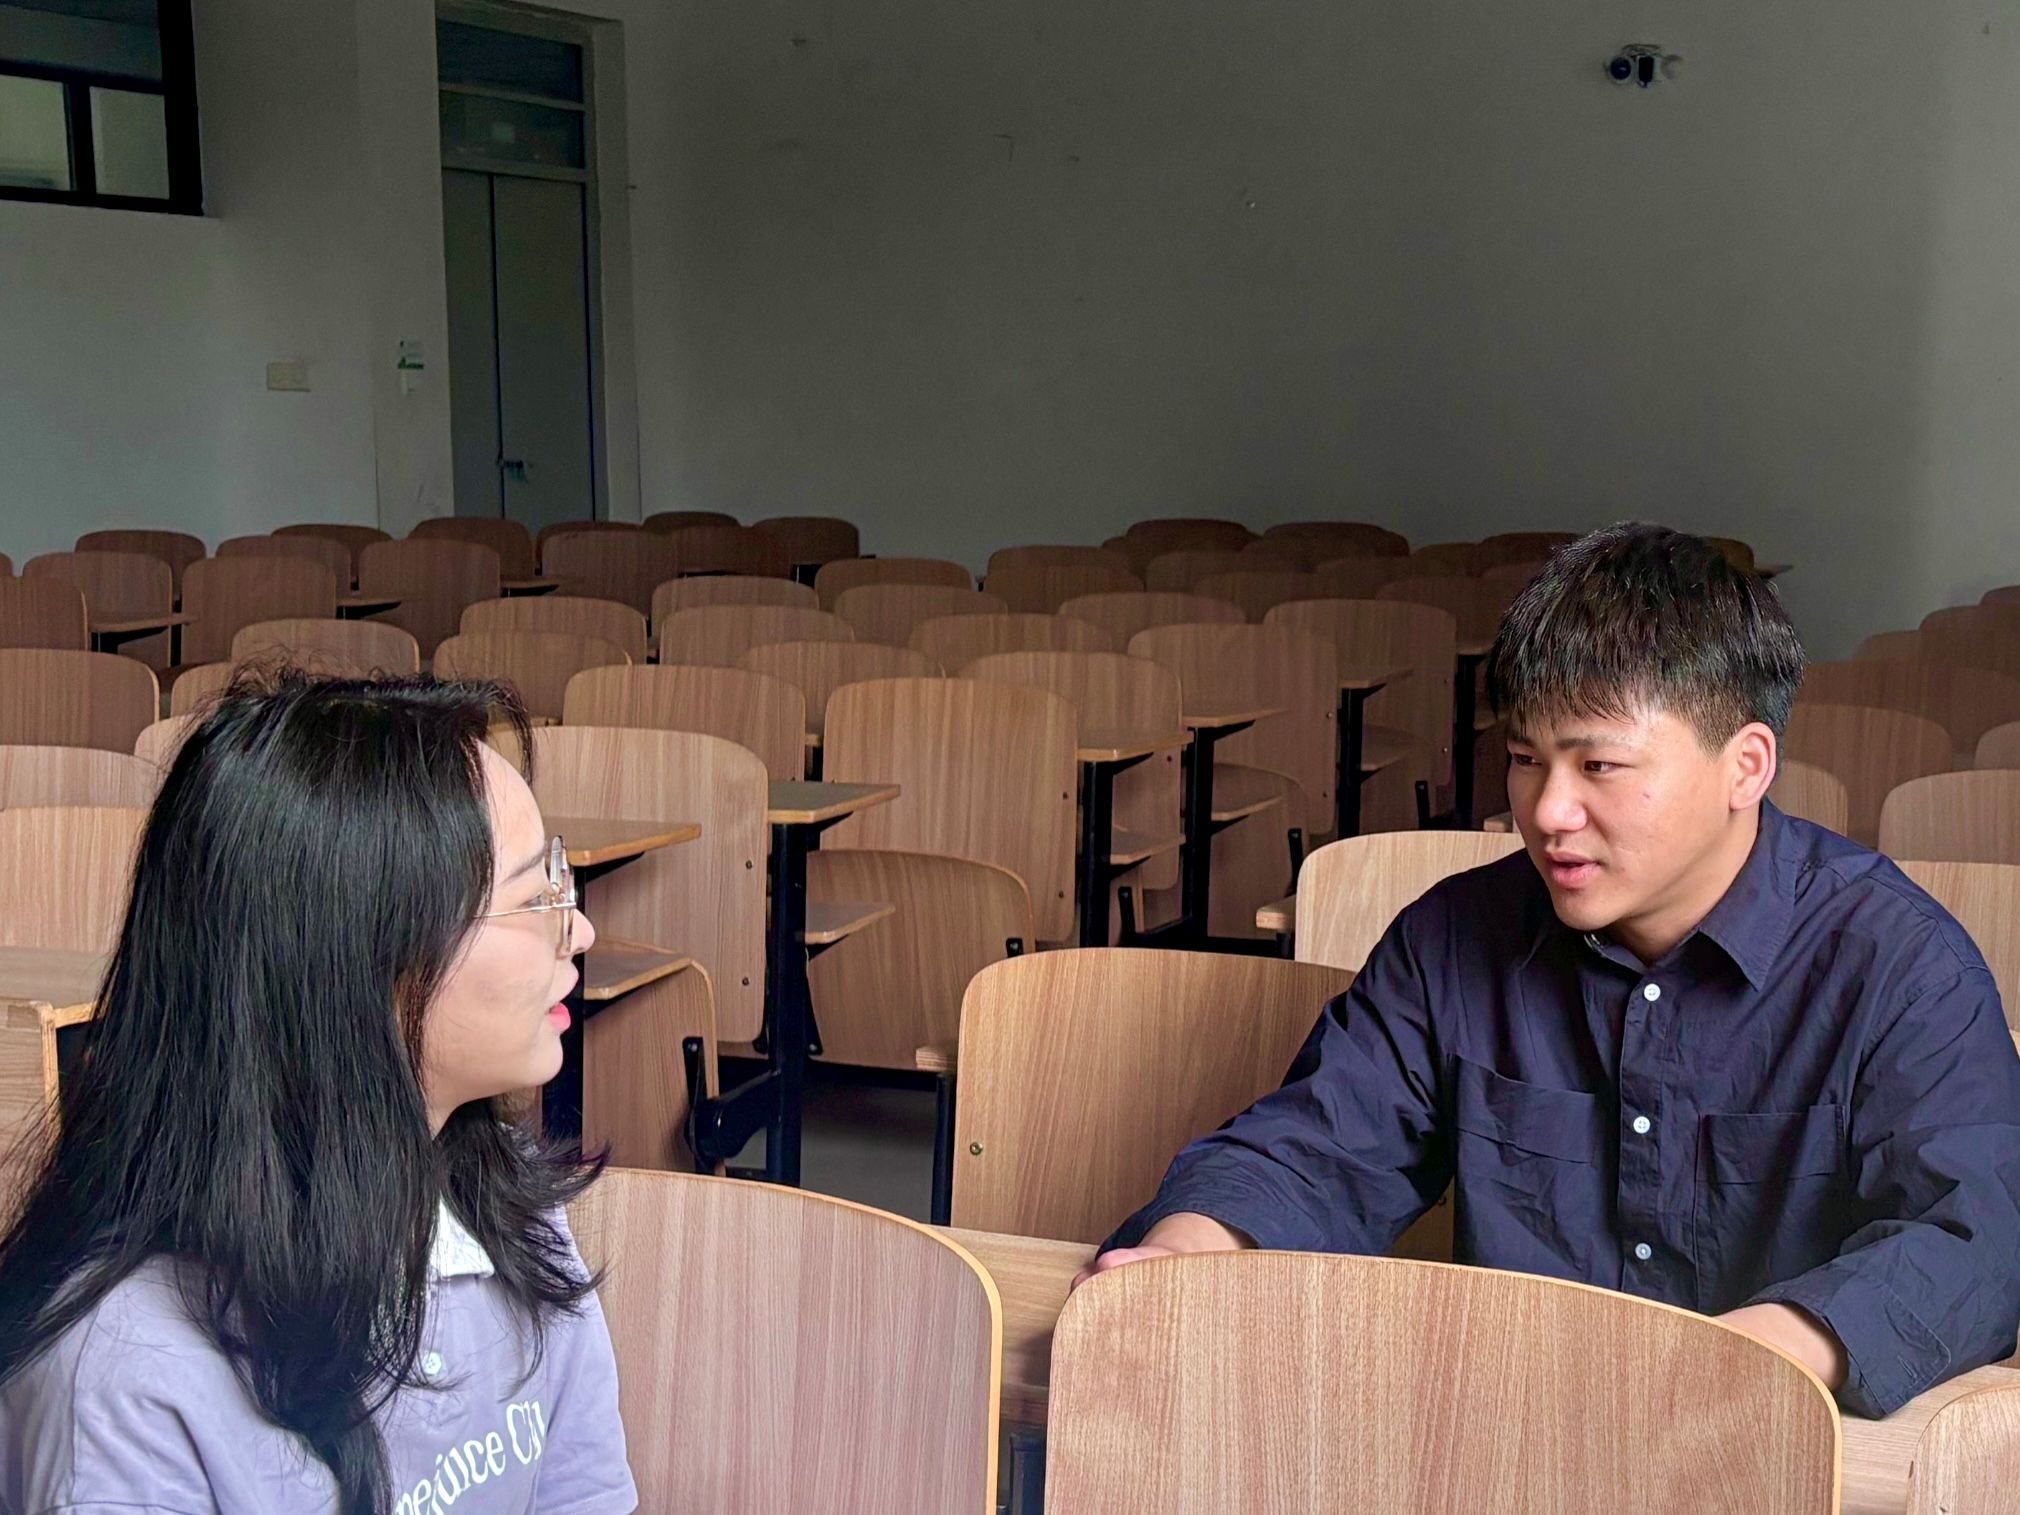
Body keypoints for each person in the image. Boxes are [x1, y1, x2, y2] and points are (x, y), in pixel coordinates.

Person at [1083, 523, 2020, 1418]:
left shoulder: (1902, 965)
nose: (1546, 811)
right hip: (1512, 1436)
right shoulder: (1454, 935)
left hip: (1777, 1442)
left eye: (1599, 765)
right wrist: (1190, 1249)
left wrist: (1745, 1357)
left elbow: (1978, 1235)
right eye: (1526, 758)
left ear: (1747, 766)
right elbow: (1321, 1146)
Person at [0, 673, 638, 1514]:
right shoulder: (125, 1381)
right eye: (534, 895)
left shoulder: (512, 1213)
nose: (578, 929)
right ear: (357, 967)